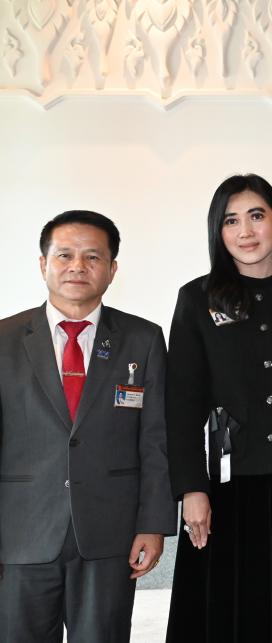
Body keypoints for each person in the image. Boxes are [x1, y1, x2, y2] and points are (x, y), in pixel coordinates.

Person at [165, 174, 272, 642]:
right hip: (225, 488)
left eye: (256, 216)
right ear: (217, 230)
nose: (245, 231)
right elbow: (180, 405)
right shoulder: (197, 298)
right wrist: (191, 489)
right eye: (231, 220)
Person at [0, 210, 175, 642]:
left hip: (109, 535)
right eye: (65, 255)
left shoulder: (142, 339)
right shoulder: (4, 339)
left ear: (112, 269)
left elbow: (155, 440)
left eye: (93, 257)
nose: (78, 266)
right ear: (43, 264)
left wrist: (153, 525)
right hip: (20, 535)